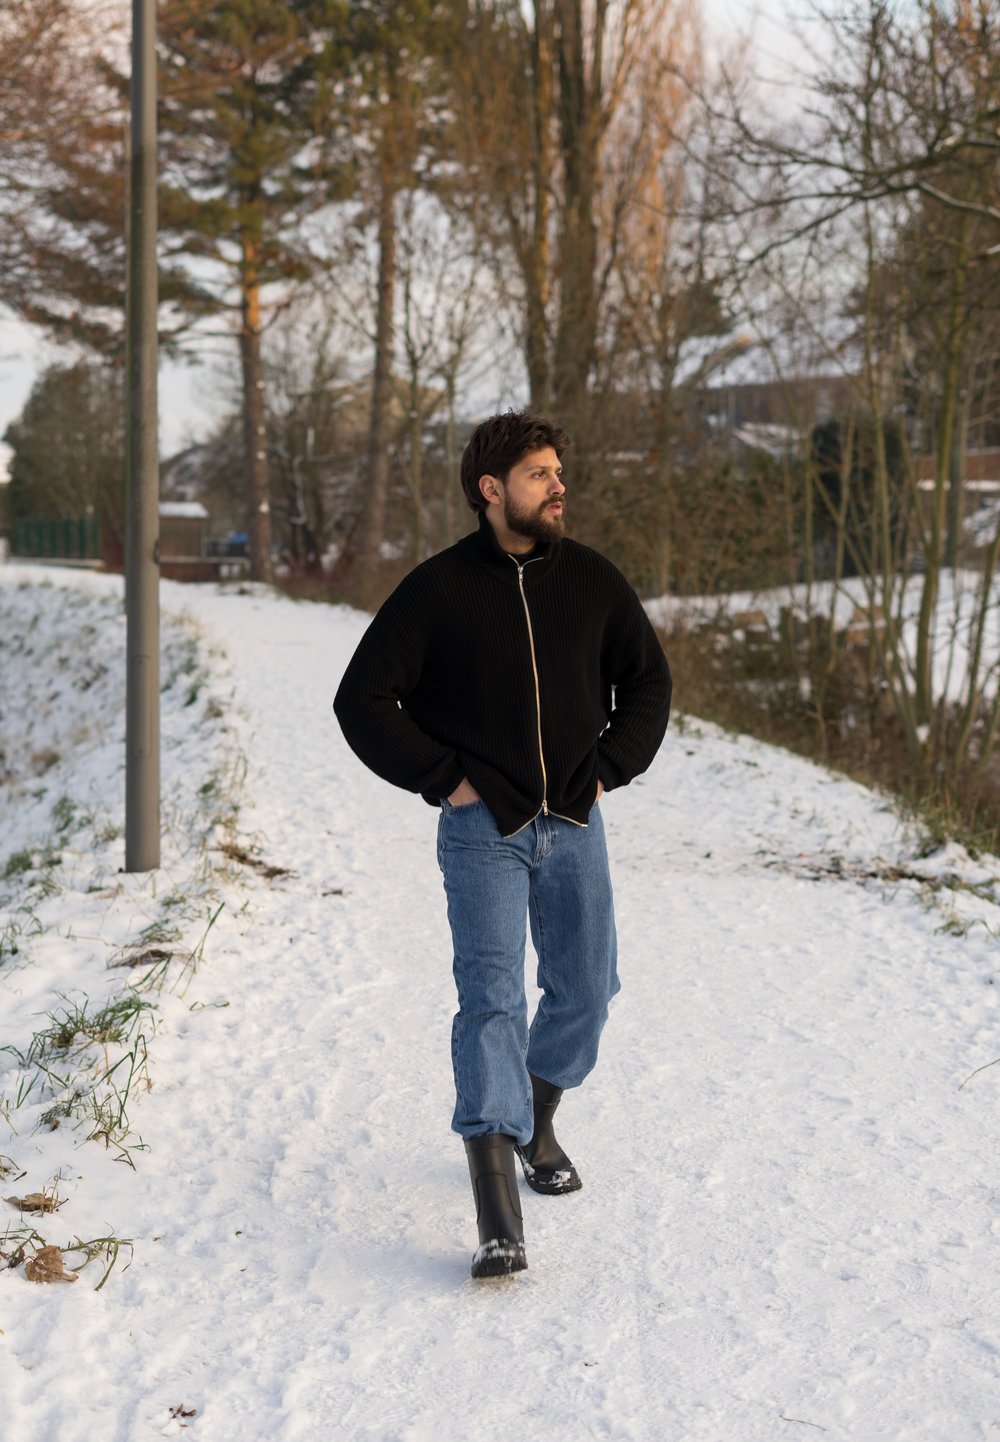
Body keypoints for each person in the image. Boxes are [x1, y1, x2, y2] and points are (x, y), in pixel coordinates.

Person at [333, 411, 671, 1279]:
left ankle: (535, 1118)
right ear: (491, 490)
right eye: (539, 474)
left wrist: (609, 768)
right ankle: (497, 1217)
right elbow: (361, 699)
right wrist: (445, 778)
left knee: (588, 989)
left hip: (576, 823)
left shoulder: (590, 579)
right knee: (492, 1000)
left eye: (558, 471)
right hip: (483, 830)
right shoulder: (438, 589)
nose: (559, 486)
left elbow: (648, 681)